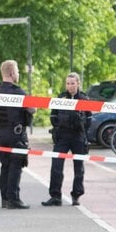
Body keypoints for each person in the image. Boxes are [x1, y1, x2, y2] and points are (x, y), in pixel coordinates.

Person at [42, 72, 92, 207]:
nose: (70, 86)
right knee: (56, 166)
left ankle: (76, 195)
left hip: (78, 136)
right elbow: (53, 116)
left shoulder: (84, 99)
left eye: (72, 83)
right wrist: (58, 127)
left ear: (78, 84)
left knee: (79, 168)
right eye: (68, 83)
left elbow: (89, 119)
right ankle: (55, 196)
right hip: (62, 135)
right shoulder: (60, 98)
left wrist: (82, 132)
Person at [0, 59, 33, 209]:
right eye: (17, 71)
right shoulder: (18, 92)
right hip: (16, 134)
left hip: (1, 133)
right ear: (11, 73)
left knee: (5, 165)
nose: (18, 73)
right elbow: (31, 109)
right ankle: (13, 199)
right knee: (16, 165)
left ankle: (4, 199)